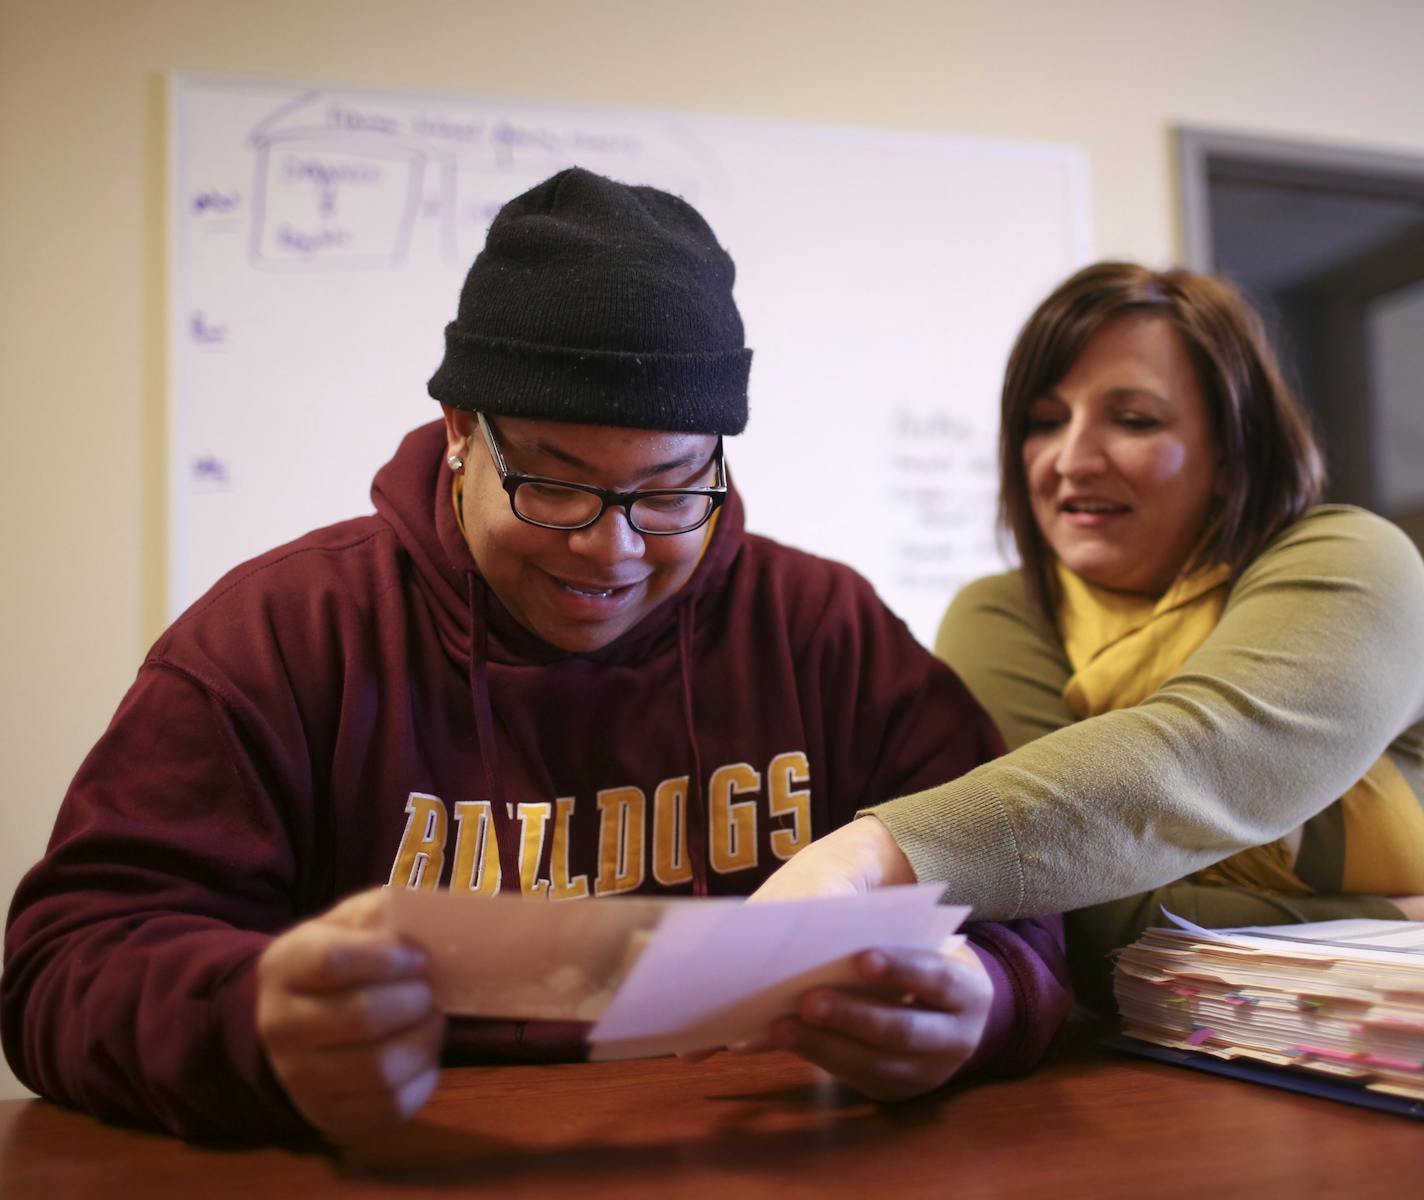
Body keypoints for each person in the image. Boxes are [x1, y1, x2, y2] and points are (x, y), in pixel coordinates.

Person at [2, 168, 1070, 1143]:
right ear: (463, 429)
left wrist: (977, 1004)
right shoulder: (280, 638)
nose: (609, 549)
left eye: (666, 494)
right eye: (553, 484)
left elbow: (1019, 912)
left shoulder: (822, 632)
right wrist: (246, 1016)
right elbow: (60, 967)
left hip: (760, 1154)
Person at [754, 261, 1424, 1005]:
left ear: (1232, 455)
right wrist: (1388, 919)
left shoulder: (1352, 561)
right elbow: (1093, 928)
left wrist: (879, 851)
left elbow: (1205, 758)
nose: (1071, 460)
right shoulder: (1003, 613)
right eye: (1045, 422)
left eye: (1134, 420)